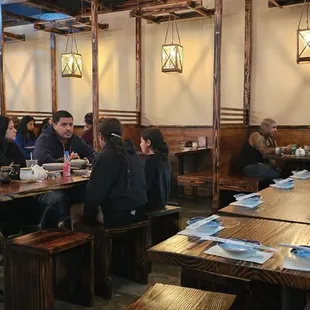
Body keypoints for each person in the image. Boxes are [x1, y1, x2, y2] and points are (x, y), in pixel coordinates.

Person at [72, 118, 147, 228]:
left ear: (100, 137)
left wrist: (89, 218)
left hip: (119, 216)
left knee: (74, 209)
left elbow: (94, 195)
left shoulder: (105, 157)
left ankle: (88, 242)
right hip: (139, 210)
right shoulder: (133, 153)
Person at [140, 128, 171, 210]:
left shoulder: (150, 161)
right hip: (162, 202)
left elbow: (144, 186)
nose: (140, 144)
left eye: (141, 141)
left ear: (148, 142)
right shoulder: (164, 159)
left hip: (152, 205)